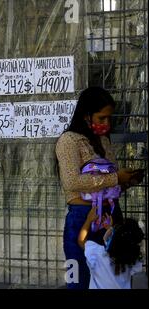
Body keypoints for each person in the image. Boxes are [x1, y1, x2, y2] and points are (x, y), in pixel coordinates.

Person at [55, 86, 142, 289]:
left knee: (112, 280)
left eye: (109, 118)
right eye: (101, 118)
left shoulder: (103, 140)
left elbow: (109, 183)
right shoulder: (69, 141)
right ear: (86, 115)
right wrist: (114, 178)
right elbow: (72, 181)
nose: (106, 124)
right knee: (79, 279)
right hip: (83, 217)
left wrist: (125, 181)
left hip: (110, 217)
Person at [78, 207, 144, 289]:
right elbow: (123, 245)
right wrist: (110, 229)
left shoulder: (98, 254)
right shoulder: (133, 260)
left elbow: (81, 241)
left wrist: (89, 220)